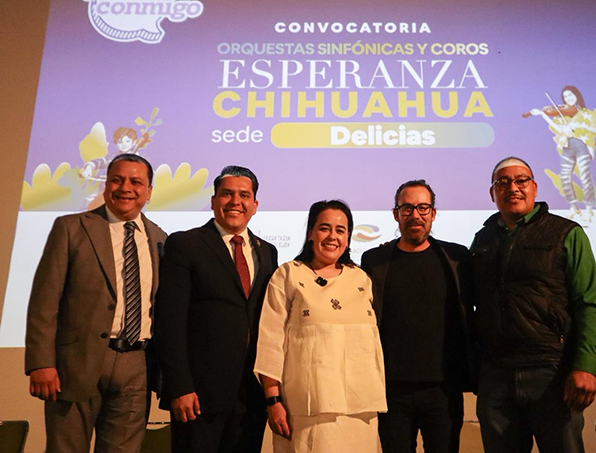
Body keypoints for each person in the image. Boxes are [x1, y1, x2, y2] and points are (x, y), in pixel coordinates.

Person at [25, 153, 167, 452]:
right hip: (75, 365)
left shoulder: (160, 239)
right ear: (105, 186)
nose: (125, 188)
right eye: (117, 180)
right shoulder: (71, 228)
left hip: (136, 365)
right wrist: (41, 363)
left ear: (149, 191)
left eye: (135, 182)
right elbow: (44, 301)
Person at [471, 157, 596, 453]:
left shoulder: (566, 233)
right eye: (503, 182)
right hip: (496, 378)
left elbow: (589, 304)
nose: (513, 188)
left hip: (552, 373)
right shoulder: (482, 240)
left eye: (521, 180)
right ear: (492, 193)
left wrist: (586, 365)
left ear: (534, 187)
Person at [155, 165, 278, 453]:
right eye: (227, 194)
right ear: (213, 201)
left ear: (255, 205)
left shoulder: (267, 251)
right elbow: (170, 322)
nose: (236, 201)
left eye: (244, 195)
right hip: (198, 396)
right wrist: (180, 386)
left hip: (250, 397)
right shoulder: (185, 244)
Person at [254, 200, 387, 452]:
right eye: (324, 228)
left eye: (340, 230)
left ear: (348, 237)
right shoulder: (289, 275)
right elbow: (270, 342)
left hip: (361, 411)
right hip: (306, 411)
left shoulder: (361, 279)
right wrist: (273, 400)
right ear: (310, 233)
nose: (332, 236)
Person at [361, 180, 476, 453]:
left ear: (433, 213)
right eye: (407, 208)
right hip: (391, 391)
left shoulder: (456, 258)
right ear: (396, 214)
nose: (416, 215)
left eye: (423, 208)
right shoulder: (374, 261)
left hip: (444, 391)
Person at [529, 85, 596, 220]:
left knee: (585, 178)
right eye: (565, 96)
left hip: (582, 146)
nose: (568, 98)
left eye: (570, 95)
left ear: (577, 95)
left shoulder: (586, 113)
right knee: (565, 178)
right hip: (567, 147)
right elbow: (558, 129)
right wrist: (542, 114)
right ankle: (574, 208)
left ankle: (589, 210)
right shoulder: (561, 114)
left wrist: (583, 126)